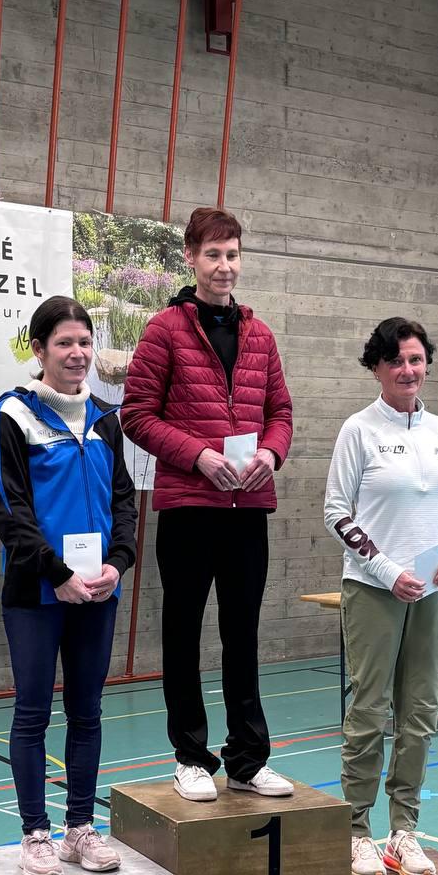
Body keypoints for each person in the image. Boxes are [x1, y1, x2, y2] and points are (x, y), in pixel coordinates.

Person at [120, 206, 294, 803]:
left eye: (233, 254)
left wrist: (270, 453)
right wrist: (197, 456)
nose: (225, 266)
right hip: (189, 509)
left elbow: (281, 412)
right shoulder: (163, 330)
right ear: (191, 258)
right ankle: (191, 757)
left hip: (248, 509)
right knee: (183, 632)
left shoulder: (260, 335)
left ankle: (247, 759)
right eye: (214, 254)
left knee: (243, 634)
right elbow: (136, 415)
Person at [0, 296, 137, 875]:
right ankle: (35, 834)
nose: (77, 353)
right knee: (32, 714)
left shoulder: (105, 419)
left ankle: (79, 828)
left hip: (98, 591)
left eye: (85, 342)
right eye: (65, 343)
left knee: (87, 712)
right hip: (37, 594)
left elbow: (124, 503)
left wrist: (117, 564)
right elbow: (8, 510)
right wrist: (58, 575)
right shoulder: (11, 416)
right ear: (40, 349)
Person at [324, 317, 438, 875]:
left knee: (420, 711)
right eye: (396, 362)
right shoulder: (358, 430)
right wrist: (385, 569)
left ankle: (402, 830)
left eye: (416, 360)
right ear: (377, 368)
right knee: (368, 711)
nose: (408, 371)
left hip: (430, 591)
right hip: (372, 591)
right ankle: (355, 830)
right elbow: (337, 513)